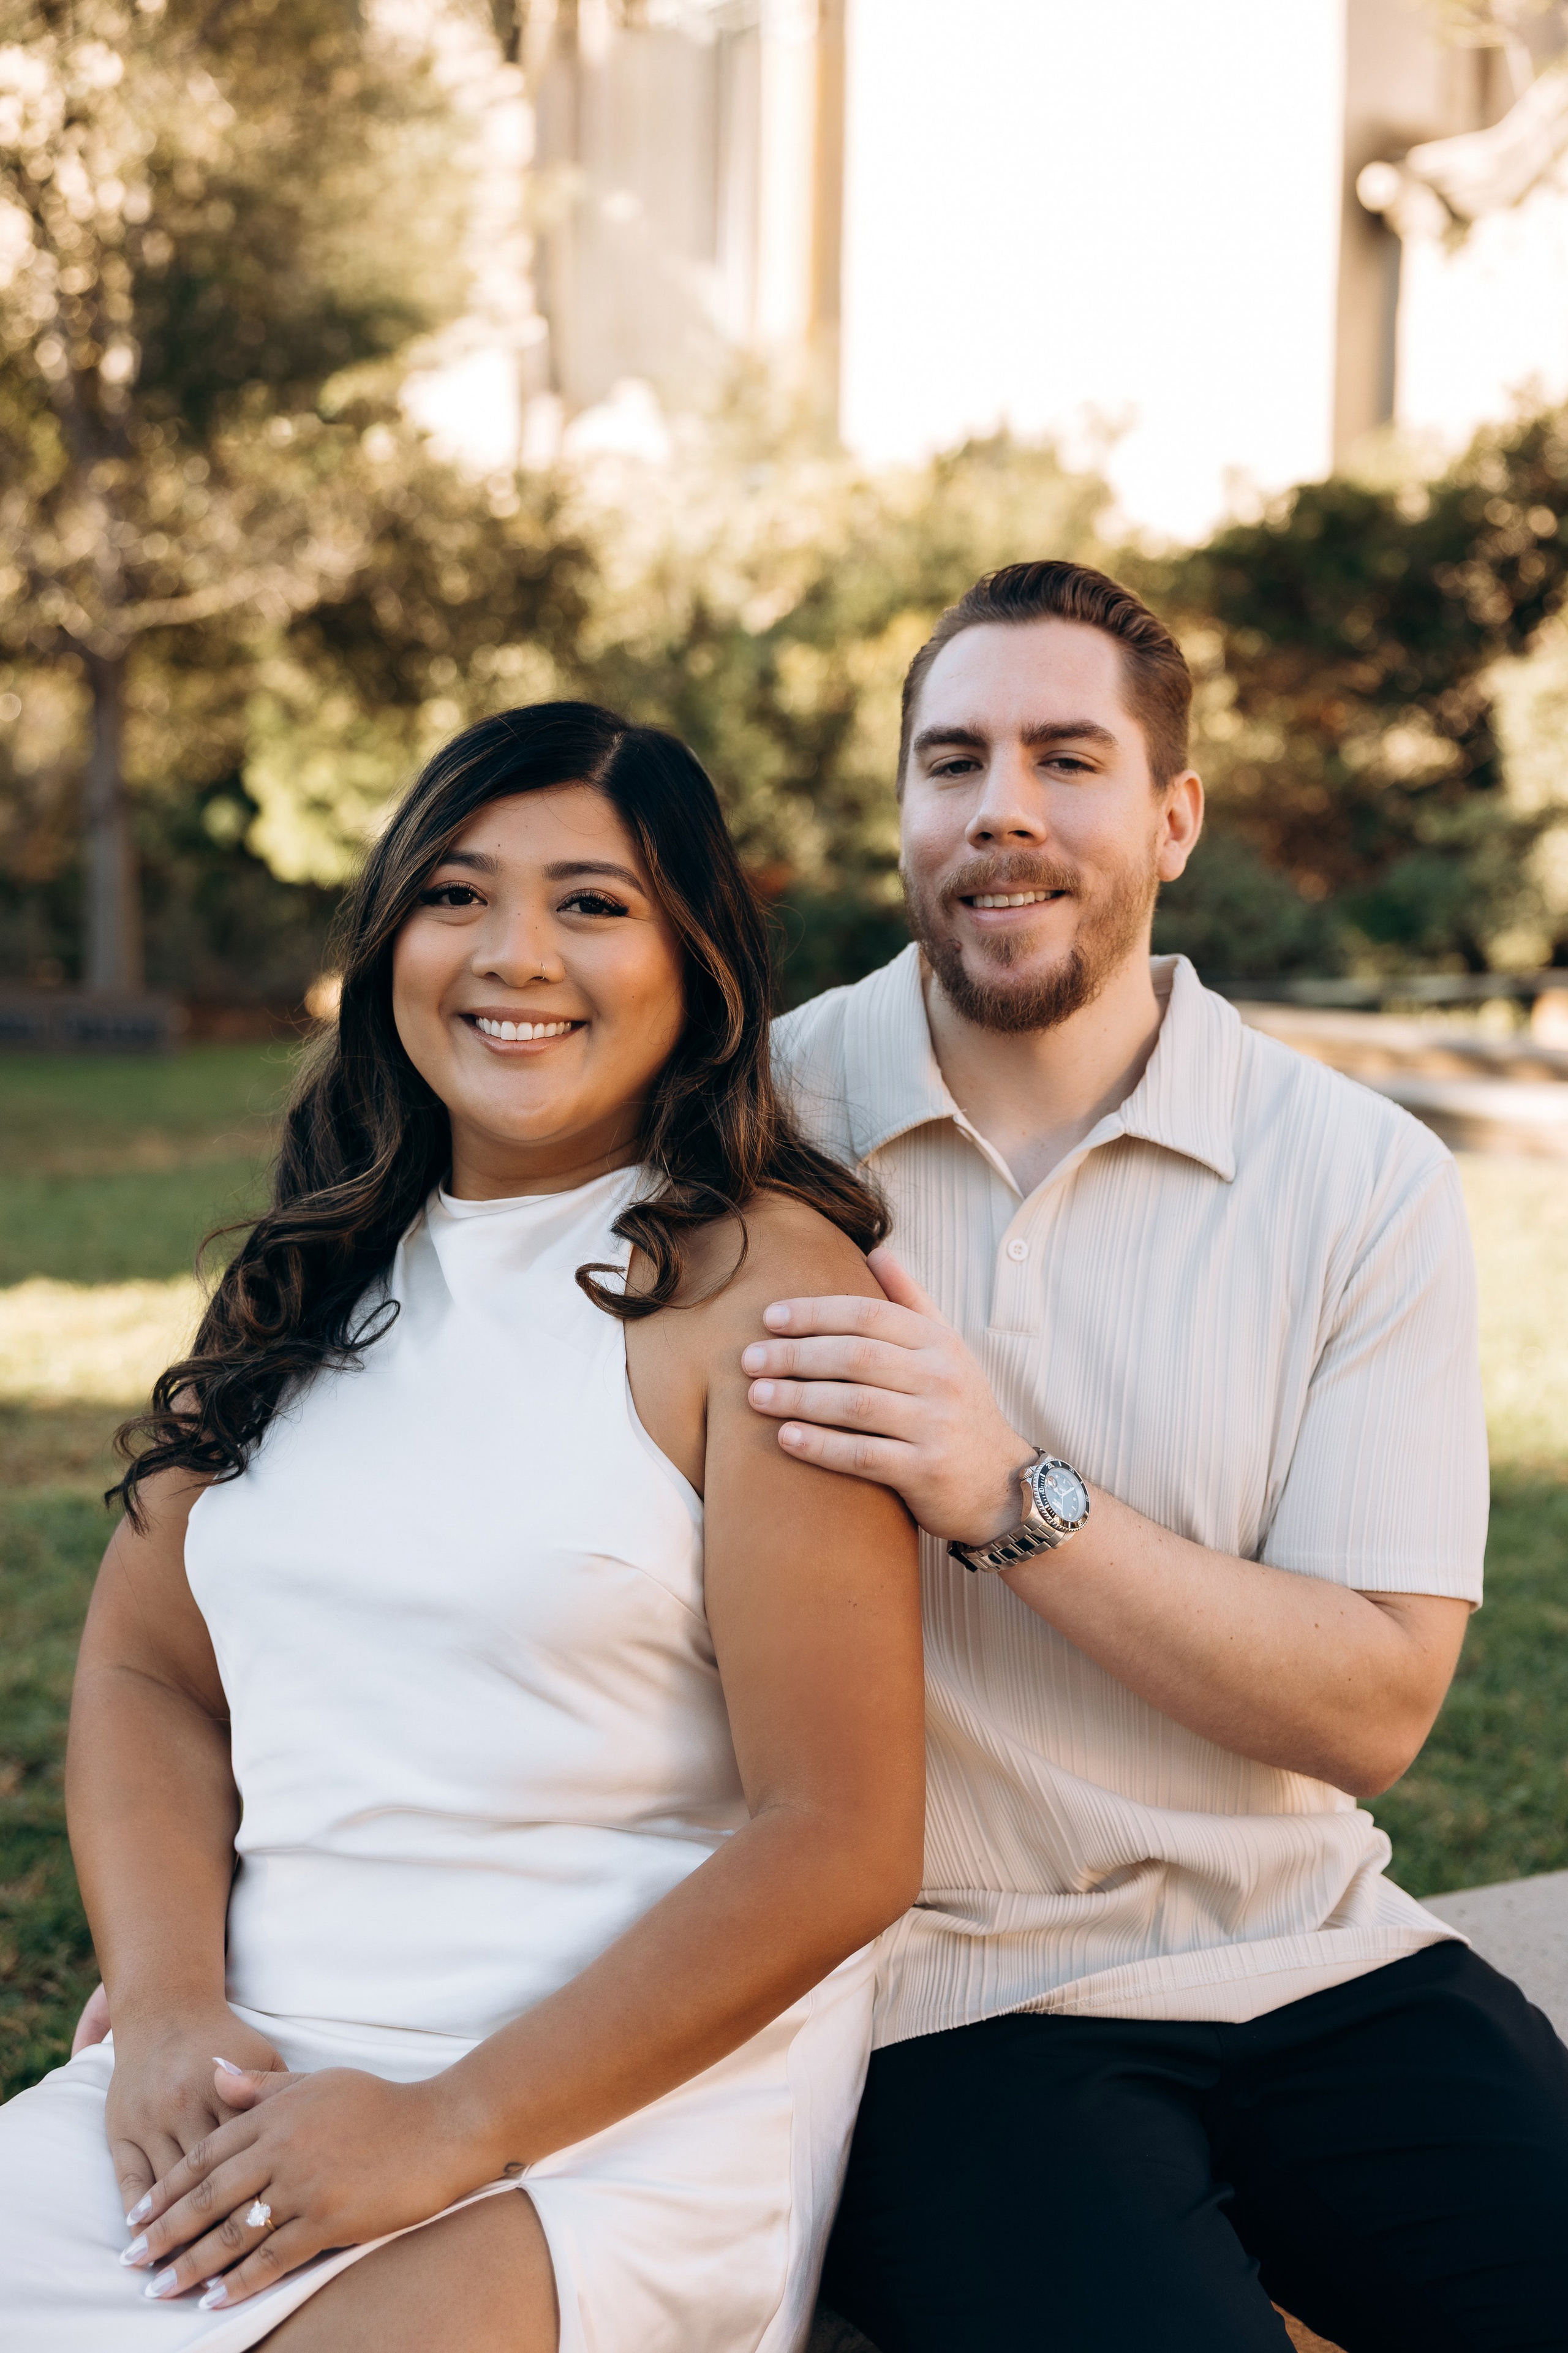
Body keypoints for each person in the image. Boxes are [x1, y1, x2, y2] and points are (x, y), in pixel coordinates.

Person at [0, 703, 924, 2352]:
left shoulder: (764, 1286)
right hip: (236, 2074)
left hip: (601, 2121)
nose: (516, 955)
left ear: (696, 962)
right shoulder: (305, 1272)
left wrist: (447, 2126)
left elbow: (841, 1831)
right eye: (456, 893)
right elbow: (149, 1677)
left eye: (592, 902)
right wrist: (160, 2007)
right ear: (390, 940)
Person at [742, 562, 1568, 2353]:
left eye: (1068, 757)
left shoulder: (1356, 1176)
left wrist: (1007, 1492)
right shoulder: (754, 1131)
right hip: (944, 2008)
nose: (1002, 811)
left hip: (1321, 1948)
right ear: (902, 809)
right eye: (952, 760)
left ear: (1175, 813)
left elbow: (1372, 1706)